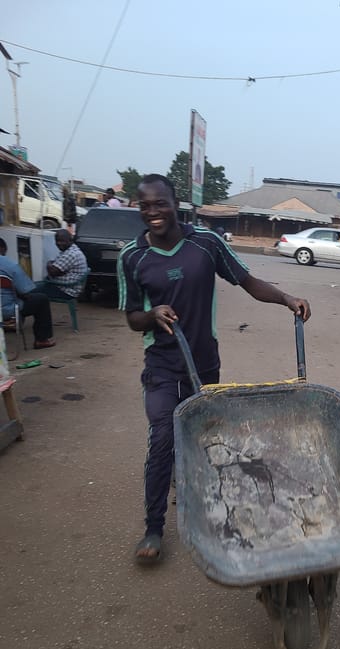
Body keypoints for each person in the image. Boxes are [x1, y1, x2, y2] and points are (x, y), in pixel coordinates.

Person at [117, 174, 312, 564]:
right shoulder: (132, 257)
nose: (153, 212)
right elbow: (132, 318)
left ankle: (210, 506)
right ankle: (154, 526)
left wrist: (287, 298)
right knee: (162, 441)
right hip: (161, 362)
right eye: (145, 206)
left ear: (176, 203)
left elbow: (248, 281)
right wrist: (152, 314)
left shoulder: (206, 243)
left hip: (203, 364)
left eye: (160, 203)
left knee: (202, 439)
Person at [0, 237, 56, 349]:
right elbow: (25, 292)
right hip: (6, 310)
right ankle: (42, 339)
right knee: (41, 299)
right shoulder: (10, 265)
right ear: (2, 249)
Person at [36, 230, 89, 302]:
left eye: (62, 241)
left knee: (29, 292)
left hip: (66, 291)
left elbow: (52, 272)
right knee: (31, 287)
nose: (58, 243)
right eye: (57, 241)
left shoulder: (71, 254)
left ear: (70, 240)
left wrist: (49, 264)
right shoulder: (71, 250)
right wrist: (56, 270)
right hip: (64, 287)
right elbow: (56, 270)